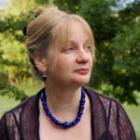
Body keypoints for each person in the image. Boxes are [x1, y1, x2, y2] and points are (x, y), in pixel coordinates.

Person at [0, 6, 136, 140]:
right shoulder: (13, 127)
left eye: (87, 47)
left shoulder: (112, 116)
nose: (84, 57)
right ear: (40, 59)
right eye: (70, 49)